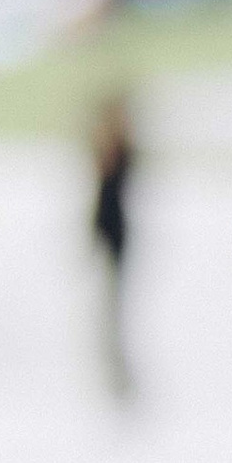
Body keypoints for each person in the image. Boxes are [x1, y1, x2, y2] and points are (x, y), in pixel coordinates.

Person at [88, 92, 137, 404]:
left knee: (115, 287)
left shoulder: (122, 149)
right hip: (109, 223)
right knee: (109, 286)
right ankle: (111, 335)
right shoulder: (113, 145)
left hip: (115, 224)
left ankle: (114, 336)